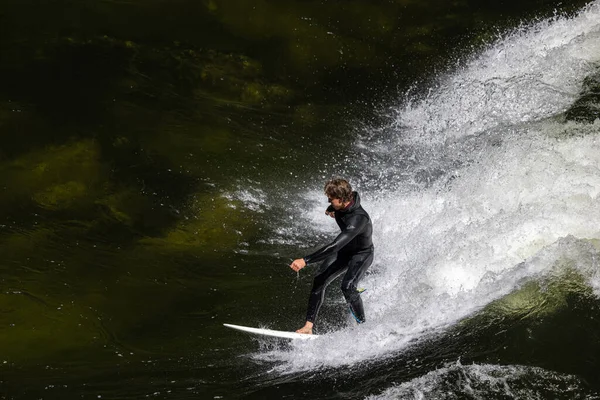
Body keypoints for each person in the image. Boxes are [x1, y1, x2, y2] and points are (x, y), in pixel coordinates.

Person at [290, 178, 374, 335]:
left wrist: (305, 260)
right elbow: (339, 207)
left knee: (347, 286)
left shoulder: (358, 218)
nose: (328, 201)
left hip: (361, 254)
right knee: (319, 280)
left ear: (342, 200)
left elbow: (334, 246)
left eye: (330, 199)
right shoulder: (343, 204)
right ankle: (308, 327)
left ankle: (363, 328)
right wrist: (331, 208)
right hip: (344, 252)